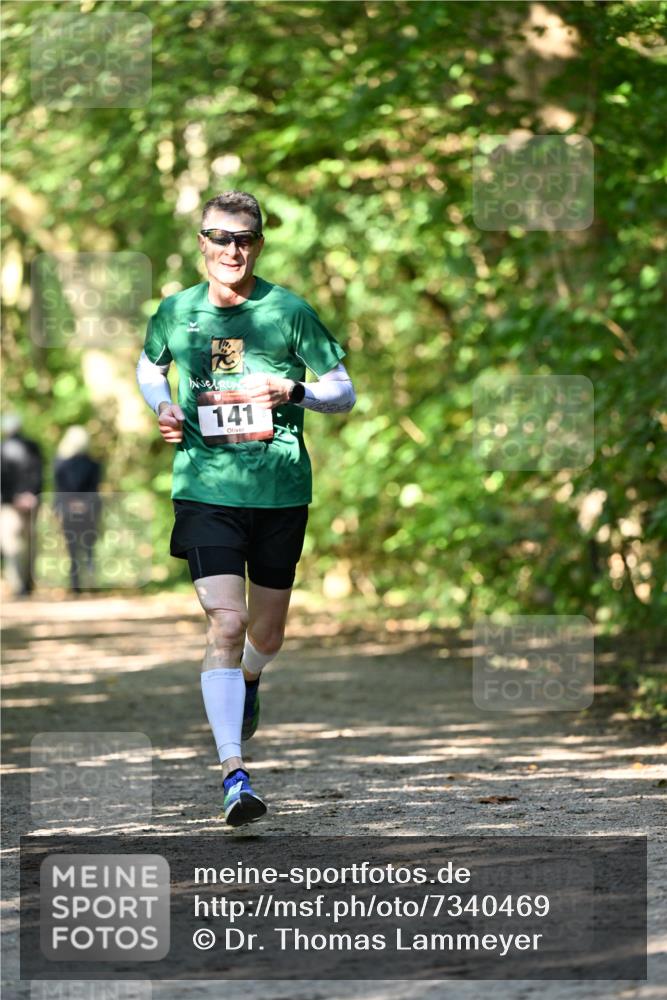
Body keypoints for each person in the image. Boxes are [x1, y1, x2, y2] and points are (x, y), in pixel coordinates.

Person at [136, 190, 355, 826]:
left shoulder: (287, 309)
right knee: (225, 626)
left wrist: (297, 389)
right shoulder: (175, 311)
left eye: (246, 239)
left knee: (265, 635)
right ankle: (234, 773)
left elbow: (343, 392)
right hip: (206, 487)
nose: (234, 250)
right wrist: (163, 406)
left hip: (281, 490)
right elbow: (150, 367)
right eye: (221, 237)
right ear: (201, 242)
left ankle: (252, 680)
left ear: (258, 244)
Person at [53, 426, 102, 594]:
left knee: (73, 548)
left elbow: (59, 490)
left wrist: (61, 507)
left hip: (69, 510)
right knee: (88, 547)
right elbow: (94, 489)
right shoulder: (93, 464)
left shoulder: (60, 463)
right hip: (88, 510)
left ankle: (76, 586)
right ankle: (90, 582)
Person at [0, 413, 43, 596]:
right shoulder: (33, 447)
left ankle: (21, 585)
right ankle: (25, 584)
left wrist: (14, 497)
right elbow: (38, 474)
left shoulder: (3, 448)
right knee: (25, 544)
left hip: (11, 504)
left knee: (14, 546)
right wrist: (30, 495)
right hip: (23, 502)